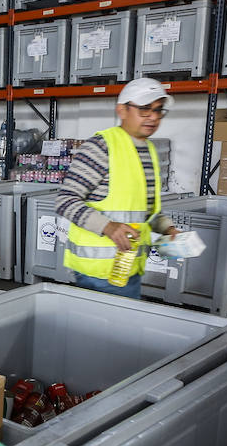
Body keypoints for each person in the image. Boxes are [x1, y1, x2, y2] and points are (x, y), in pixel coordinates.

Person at [57, 77, 179, 299]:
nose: (153, 117)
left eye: (158, 110)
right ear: (122, 110)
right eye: (144, 109)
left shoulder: (150, 150)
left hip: (128, 267)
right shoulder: (101, 147)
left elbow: (145, 210)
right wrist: (108, 227)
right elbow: (65, 200)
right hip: (98, 273)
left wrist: (167, 229)